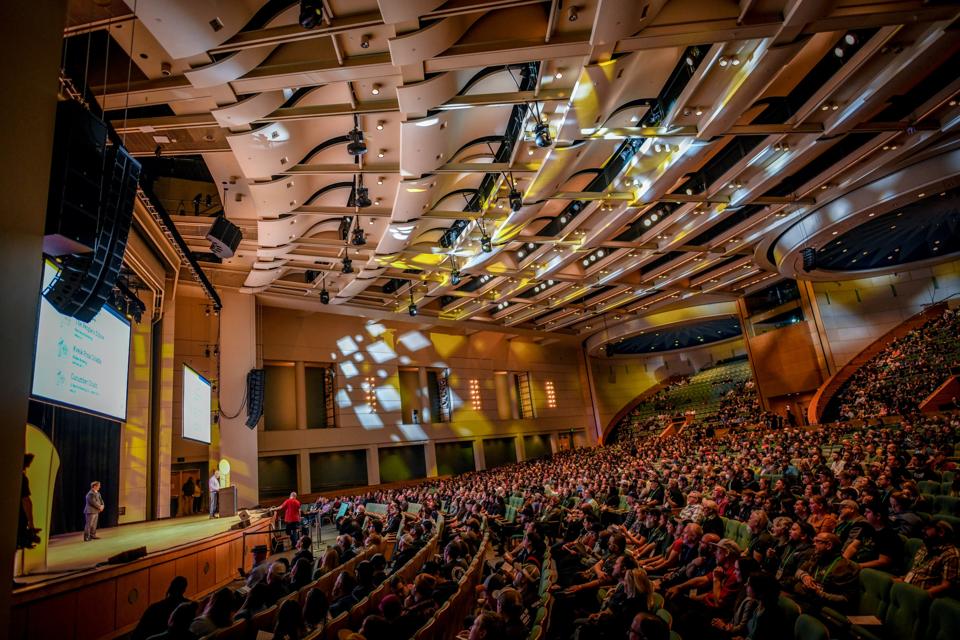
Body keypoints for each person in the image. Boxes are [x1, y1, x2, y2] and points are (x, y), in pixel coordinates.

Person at [17, 453, 40, 551]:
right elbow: (26, 500)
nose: (29, 466)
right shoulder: (22, 479)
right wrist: (31, 523)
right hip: (19, 518)